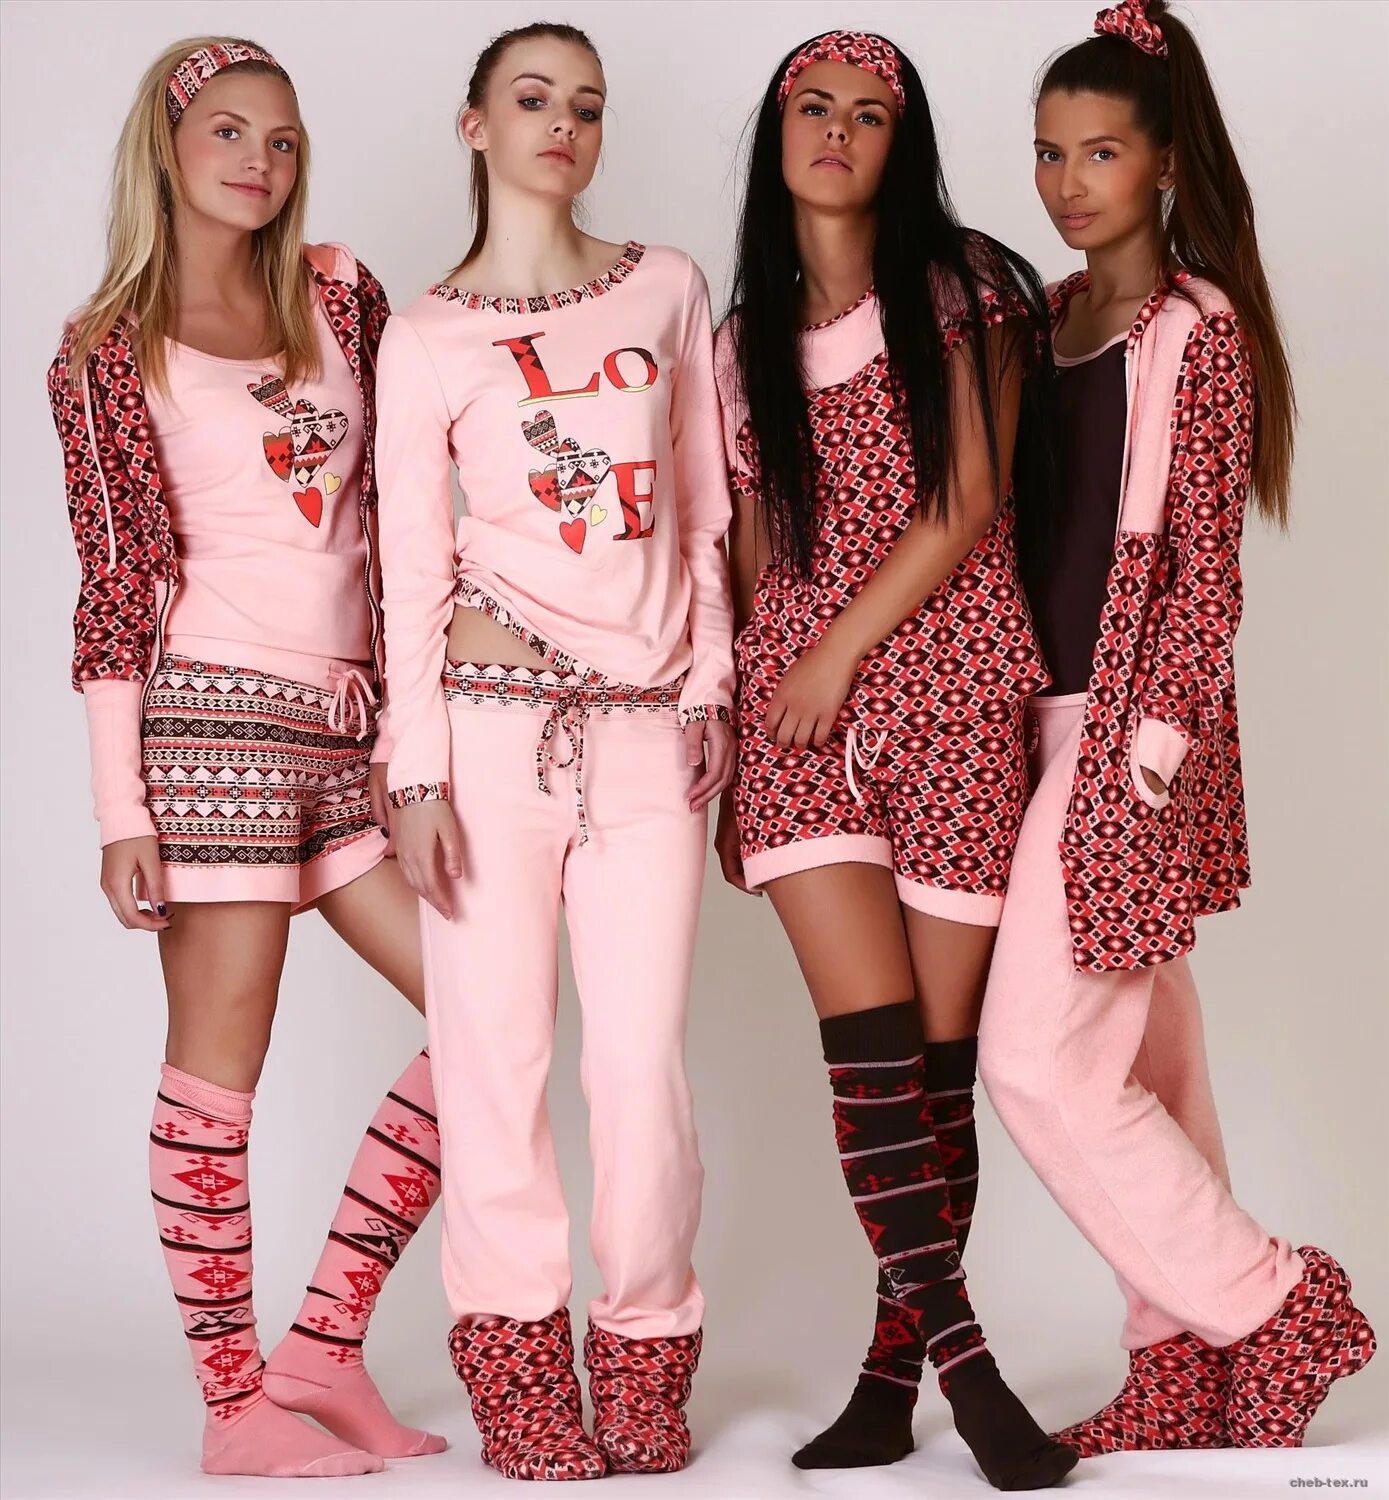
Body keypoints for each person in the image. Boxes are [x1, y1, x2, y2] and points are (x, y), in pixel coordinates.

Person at [979, 0, 1376, 1457]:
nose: (1067, 182)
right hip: (1025, 724)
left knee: (1037, 1060)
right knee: (1147, 1063)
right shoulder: (1043, 320)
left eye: (1099, 152)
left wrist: (1142, 766)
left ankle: (1272, 1304)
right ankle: (1179, 1363)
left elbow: (1204, 577)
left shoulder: (1193, 332)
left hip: (1127, 741)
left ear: (1161, 162)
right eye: (1047, 153)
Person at [48, 37, 446, 1478]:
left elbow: (403, 513)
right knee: (220, 1072)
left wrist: (415, 724)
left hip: (352, 728)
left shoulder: (340, 292)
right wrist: (122, 808)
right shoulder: (107, 348)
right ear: (166, 147)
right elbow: (115, 580)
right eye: (227, 132)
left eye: (281, 139)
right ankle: (232, 1408)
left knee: (490, 1019)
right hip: (211, 722)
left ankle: (321, 1350)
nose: (258, 162)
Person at [713, 28, 1076, 1491]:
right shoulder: (740, 333)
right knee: (869, 1061)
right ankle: (974, 1377)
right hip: (795, 723)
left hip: (953, 691)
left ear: (900, 145)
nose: (838, 131)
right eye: (814, 106)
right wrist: (749, 705)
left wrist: (833, 653)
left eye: (870, 115)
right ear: (777, 130)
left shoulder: (964, 287)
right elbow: (751, 535)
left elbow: (968, 495)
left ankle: (886, 1378)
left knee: (935, 1070)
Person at [374, 21, 735, 1482]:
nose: (562, 125)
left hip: (647, 733)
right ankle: (519, 1367)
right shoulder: (423, 339)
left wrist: (711, 679)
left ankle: (644, 1348)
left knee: (641, 1070)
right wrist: (412, 772)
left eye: (585, 105)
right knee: (494, 1063)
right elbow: (406, 570)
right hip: (486, 736)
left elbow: (706, 506)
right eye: (531, 100)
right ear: (474, 126)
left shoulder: (665, 286)